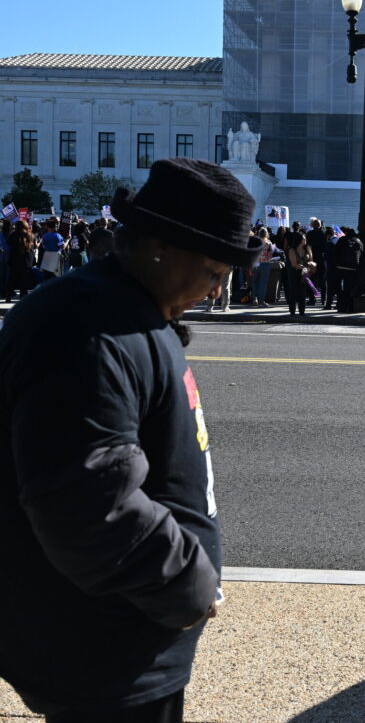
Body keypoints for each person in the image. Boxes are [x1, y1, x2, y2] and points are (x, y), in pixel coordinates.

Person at [0, 158, 262, 723]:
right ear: (163, 248)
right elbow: (88, 502)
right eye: (215, 272)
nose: (217, 291)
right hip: (102, 651)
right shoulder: (88, 328)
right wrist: (191, 583)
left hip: (120, 640)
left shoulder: (124, 310)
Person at [286, 230, 314, 316]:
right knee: (293, 291)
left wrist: (310, 252)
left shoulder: (307, 248)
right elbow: (294, 264)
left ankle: (302, 311)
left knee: (302, 292)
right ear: (299, 240)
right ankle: (292, 311)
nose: (305, 240)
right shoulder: (292, 250)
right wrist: (305, 267)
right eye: (304, 239)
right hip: (294, 272)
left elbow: (311, 261)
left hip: (304, 272)